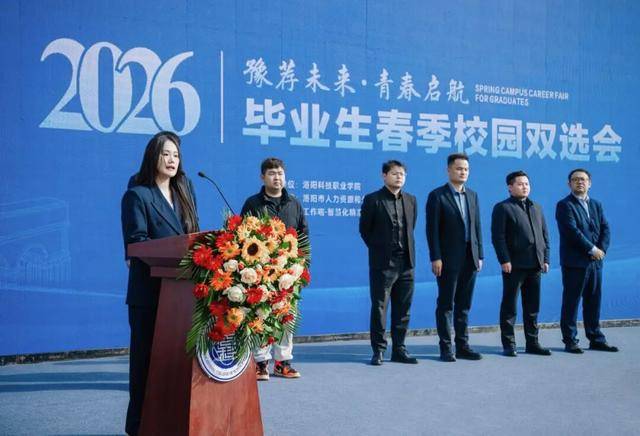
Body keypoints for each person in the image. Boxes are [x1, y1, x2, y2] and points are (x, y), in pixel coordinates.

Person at [121, 131, 199, 436]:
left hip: (182, 297)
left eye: (176, 155)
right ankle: (138, 426)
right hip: (149, 296)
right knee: (145, 365)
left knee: (175, 366)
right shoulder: (137, 195)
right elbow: (137, 243)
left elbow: (193, 235)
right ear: (153, 156)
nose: (172, 160)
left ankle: (170, 424)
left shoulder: (185, 191)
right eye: (166, 154)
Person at [241, 157, 308, 380]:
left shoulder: (294, 204)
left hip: (289, 273)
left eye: (280, 173)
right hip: (262, 273)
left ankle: (283, 362)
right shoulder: (253, 204)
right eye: (271, 173)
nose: (277, 177)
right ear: (263, 177)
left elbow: (303, 237)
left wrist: (302, 267)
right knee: (262, 316)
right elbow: (243, 236)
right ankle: (261, 363)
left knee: (287, 317)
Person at [360, 160, 418, 366]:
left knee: (403, 308)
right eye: (394, 173)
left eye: (402, 174)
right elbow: (365, 230)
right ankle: (379, 350)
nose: (399, 177)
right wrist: (380, 249)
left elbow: (411, 227)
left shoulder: (411, 200)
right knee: (380, 307)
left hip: (407, 262)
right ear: (384, 176)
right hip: (383, 262)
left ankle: (400, 349)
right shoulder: (373, 200)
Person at [426, 153, 483, 362]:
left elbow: (477, 227)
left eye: (466, 169)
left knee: (464, 305)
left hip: (470, 257)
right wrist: (436, 257)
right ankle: (446, 348)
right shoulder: (437, 196)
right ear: (448, 170)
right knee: (446, 304)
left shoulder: (473, 195)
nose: (463, 172)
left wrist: (480, 254)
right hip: (447, 259)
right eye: (459, 169)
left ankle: (463, 346)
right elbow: (432, 230)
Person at [556, 169, 618, 353]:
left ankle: (596, 338)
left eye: (583, 179)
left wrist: (601, 250)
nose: (580, 182)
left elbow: (605, 229)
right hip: (575, 263)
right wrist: (592, 249)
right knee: (572, 302)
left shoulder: (596, 205)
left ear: (590, 183)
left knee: (593, 301)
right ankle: (570, 340)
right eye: (575, 179)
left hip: (595, 263)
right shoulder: (564, 205)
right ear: (569, 184)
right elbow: (572, 232)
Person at [491, 171, 551, 357]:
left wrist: (546, 259)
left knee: (532, 307)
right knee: (510, 306)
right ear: (510, 187)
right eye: (520, 184)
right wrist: (504, 259)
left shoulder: (536, 207)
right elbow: (498, 237)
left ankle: (532, 343)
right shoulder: (503, 207)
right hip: (514, 265)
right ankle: (509, 344)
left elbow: (544, 236)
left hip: (535, 265)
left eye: (527, 184)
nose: (524, 187)